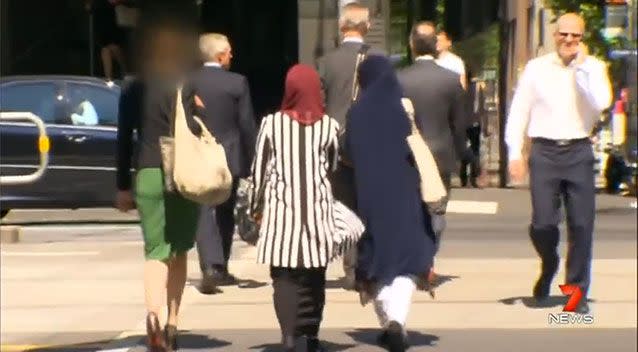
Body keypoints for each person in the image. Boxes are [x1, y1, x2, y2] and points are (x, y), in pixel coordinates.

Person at [505, 13, 612, 314]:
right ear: (554, 36)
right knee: (543, 223)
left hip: (578, 150)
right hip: (544, 152)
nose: (568, 41)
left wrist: (581, 71)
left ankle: (575, 295)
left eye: (575, 36)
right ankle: (549, 261)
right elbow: (519, 112)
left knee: (581, 225)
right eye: (563, 35)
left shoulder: (593, 68)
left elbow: (601, 102)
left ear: (582, 38)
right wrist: (515, 153)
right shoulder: (536, 69)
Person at [115, 12, 201, 350]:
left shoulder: (133, 85)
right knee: (178, 251)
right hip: (182, 171)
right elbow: (194, 128)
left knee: (155, 251)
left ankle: (152, 314)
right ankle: (173, 322)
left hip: (148, 170)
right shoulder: (186, 80)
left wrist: (122, 185)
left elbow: (123, 138)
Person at [346, 55, 436, 352]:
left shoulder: (356, 113)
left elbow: (347, 153)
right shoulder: (402, 109)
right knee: (408, 256)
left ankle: (390, 321)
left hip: (370, 195)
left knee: (378, 256)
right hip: (405, 193)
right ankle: (396, 320)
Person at [249, 64, 340, 352]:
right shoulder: (330, 126)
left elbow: (259, 171)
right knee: (315, 275)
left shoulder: (271, 124)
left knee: (284, 277)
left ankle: (289, 337)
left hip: (281, 213)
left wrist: (254, 208)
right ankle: (310, 336)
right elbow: (333, 168)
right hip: (317, 212)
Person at [316, 2, 383, 290]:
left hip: (336, 142)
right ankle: (369, 265)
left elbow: (318, 104)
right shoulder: (379, 60)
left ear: (342, 27)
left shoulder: (326, 62)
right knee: (371, 205)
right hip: (372, 142)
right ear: (367, 27)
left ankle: (351, 268)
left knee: (344, 205)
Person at [397, 21, 466, 285]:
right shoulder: (450, 81)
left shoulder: (398, 79)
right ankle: (428, 262)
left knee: (410, 210)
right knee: (436, 209)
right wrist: (461, 154)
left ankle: (412, 262)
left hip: (407, 154)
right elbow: (460, 124)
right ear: (435, 45)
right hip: (440, 153)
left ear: (411, 44)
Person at [191, 33, 257, 294]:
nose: (232, 55)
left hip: (198, 153)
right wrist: (252, 161)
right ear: (220, 56)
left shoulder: (189, 81)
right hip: (229, 155)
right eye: (229, 52)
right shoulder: (237, 83)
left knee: (202, 209)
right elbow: (246, 125)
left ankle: (211, 265)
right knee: (225, 211)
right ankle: (221, 266)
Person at [460, 70, 488, 188]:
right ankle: (473, 177)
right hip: (475, 123)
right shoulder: (477, 88)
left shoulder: (458, 88)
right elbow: (482, 108)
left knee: (463, 148)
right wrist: (485, 126)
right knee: (475, 149)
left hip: (461, 123)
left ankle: (463, 176)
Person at [86, 0, 128, 79]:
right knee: (105, 48)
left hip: (108, 19)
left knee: (113, 47)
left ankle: (124, 70)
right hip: (100, 20)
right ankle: (109, 77)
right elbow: (89, 7)